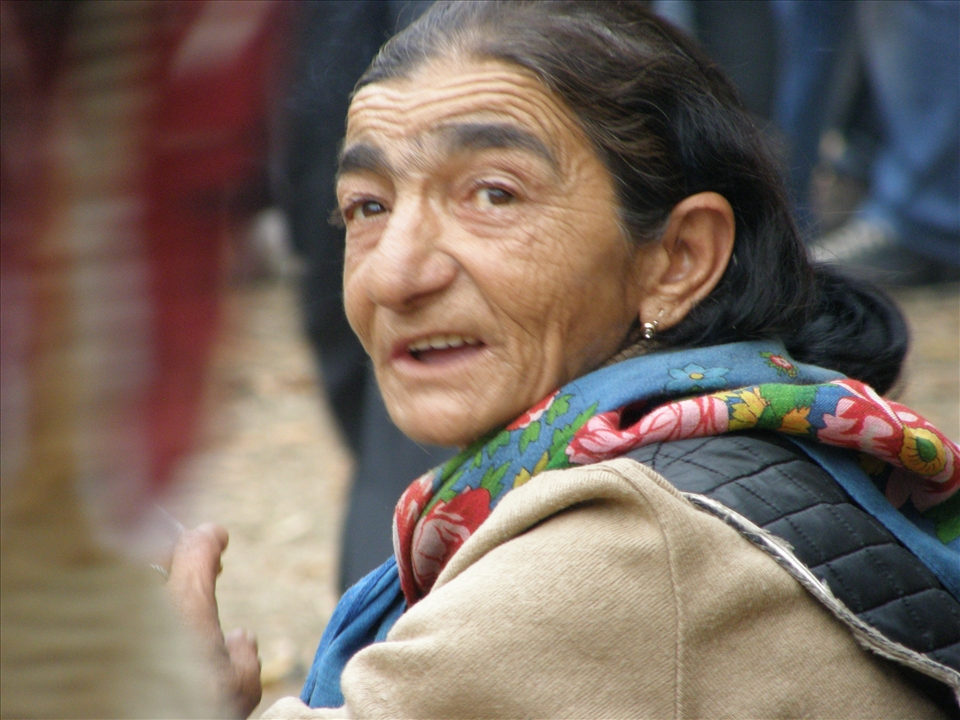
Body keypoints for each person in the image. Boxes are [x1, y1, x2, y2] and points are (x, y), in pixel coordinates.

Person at [170, 2, 959, 716]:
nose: (393, 275)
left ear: (678, 259)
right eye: (368, 207)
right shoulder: (747, 441)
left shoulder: (628, 544)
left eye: (494, 194)